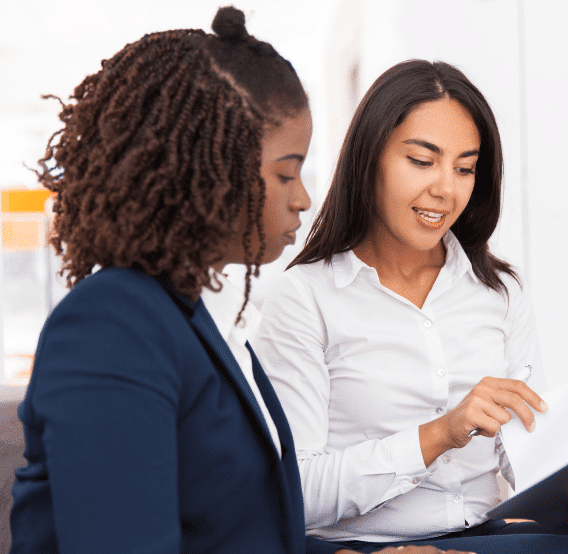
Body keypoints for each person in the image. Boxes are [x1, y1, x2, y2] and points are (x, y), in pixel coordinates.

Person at [8, 9, 462, 554]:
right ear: (206, 167)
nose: (302, 198)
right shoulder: (113, 323)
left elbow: (243, 533)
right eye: (284, 173)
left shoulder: (202, 320)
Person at [252, 60, 568, 554]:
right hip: (367, 544)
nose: (447, 188)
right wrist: (440, 434)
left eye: (465, 167)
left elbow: (529, 461)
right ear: (368, 158)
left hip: (483, 533)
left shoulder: (497, 290)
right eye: (422, 161)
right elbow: (295, 491)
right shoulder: (307, 297)